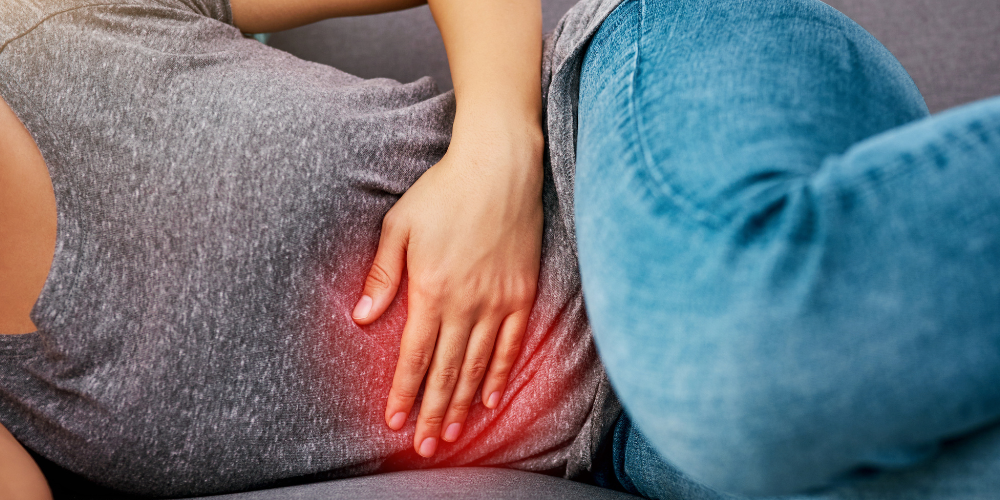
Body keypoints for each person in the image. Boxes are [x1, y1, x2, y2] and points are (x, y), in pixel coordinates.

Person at [2, 0, 999, 499]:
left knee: (732, 362)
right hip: (626, 433)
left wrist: (493, 147)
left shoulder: (46, 21)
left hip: (633, 109)